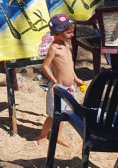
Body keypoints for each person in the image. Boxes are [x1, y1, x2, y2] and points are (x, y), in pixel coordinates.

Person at [37, 14, 85, 147]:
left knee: (64, 114)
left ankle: (58, 136)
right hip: (58, 89)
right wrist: (54, 80)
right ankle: (43, 135)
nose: (72, 35)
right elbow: (45, 66)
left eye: (72, 32)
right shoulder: (54, 48)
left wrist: (76, 78)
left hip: (69, 88)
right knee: (53, 115)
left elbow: (69, 66)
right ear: (58, 33)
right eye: (69, 32)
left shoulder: (66, 46)